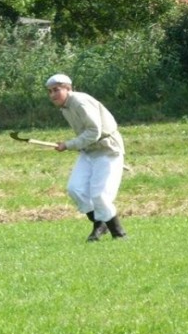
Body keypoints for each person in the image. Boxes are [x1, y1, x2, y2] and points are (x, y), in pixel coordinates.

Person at [45, 73, 127, 241]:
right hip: (89, 151)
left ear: (68, 88)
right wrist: (72, 144)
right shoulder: (65, 107)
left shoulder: (80, 102)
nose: (53, 95)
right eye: (50, 91)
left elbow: (94, 131)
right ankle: (100, 224)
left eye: (56, 90)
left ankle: (119, 234)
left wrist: (68, 144)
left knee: (100, 196)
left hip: (108, 150)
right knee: (75, 189)